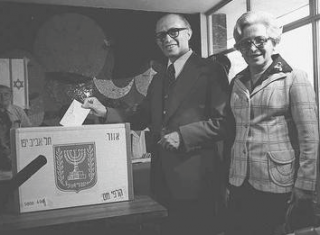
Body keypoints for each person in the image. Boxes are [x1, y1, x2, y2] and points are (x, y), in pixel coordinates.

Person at [82, 13, 230, 235]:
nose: (167, 38)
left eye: (173, 32)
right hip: (161, 175)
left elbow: (224, 123)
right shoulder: (159, 77)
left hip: (197, 178)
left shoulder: (210, 70)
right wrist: (104, 111)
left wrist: (183, 136)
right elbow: (141, 116)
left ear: (189, 33)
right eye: (160, 36)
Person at [225, 11, 319, 235]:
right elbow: (232, 132)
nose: (253, 47)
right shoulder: (237, 82)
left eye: (260, 40)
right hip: (240, 180)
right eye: (246, 43)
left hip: (276, 182)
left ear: (273, 41)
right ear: (239, 47)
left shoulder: (294, 77)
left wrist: (305, 185)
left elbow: (310, 138)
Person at [0, 85, 32, 170]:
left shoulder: (18, 111)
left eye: (6, 94)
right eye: (0, 94)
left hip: (17, 154)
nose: (2, 97)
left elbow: (29, 132)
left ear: (11, 95)